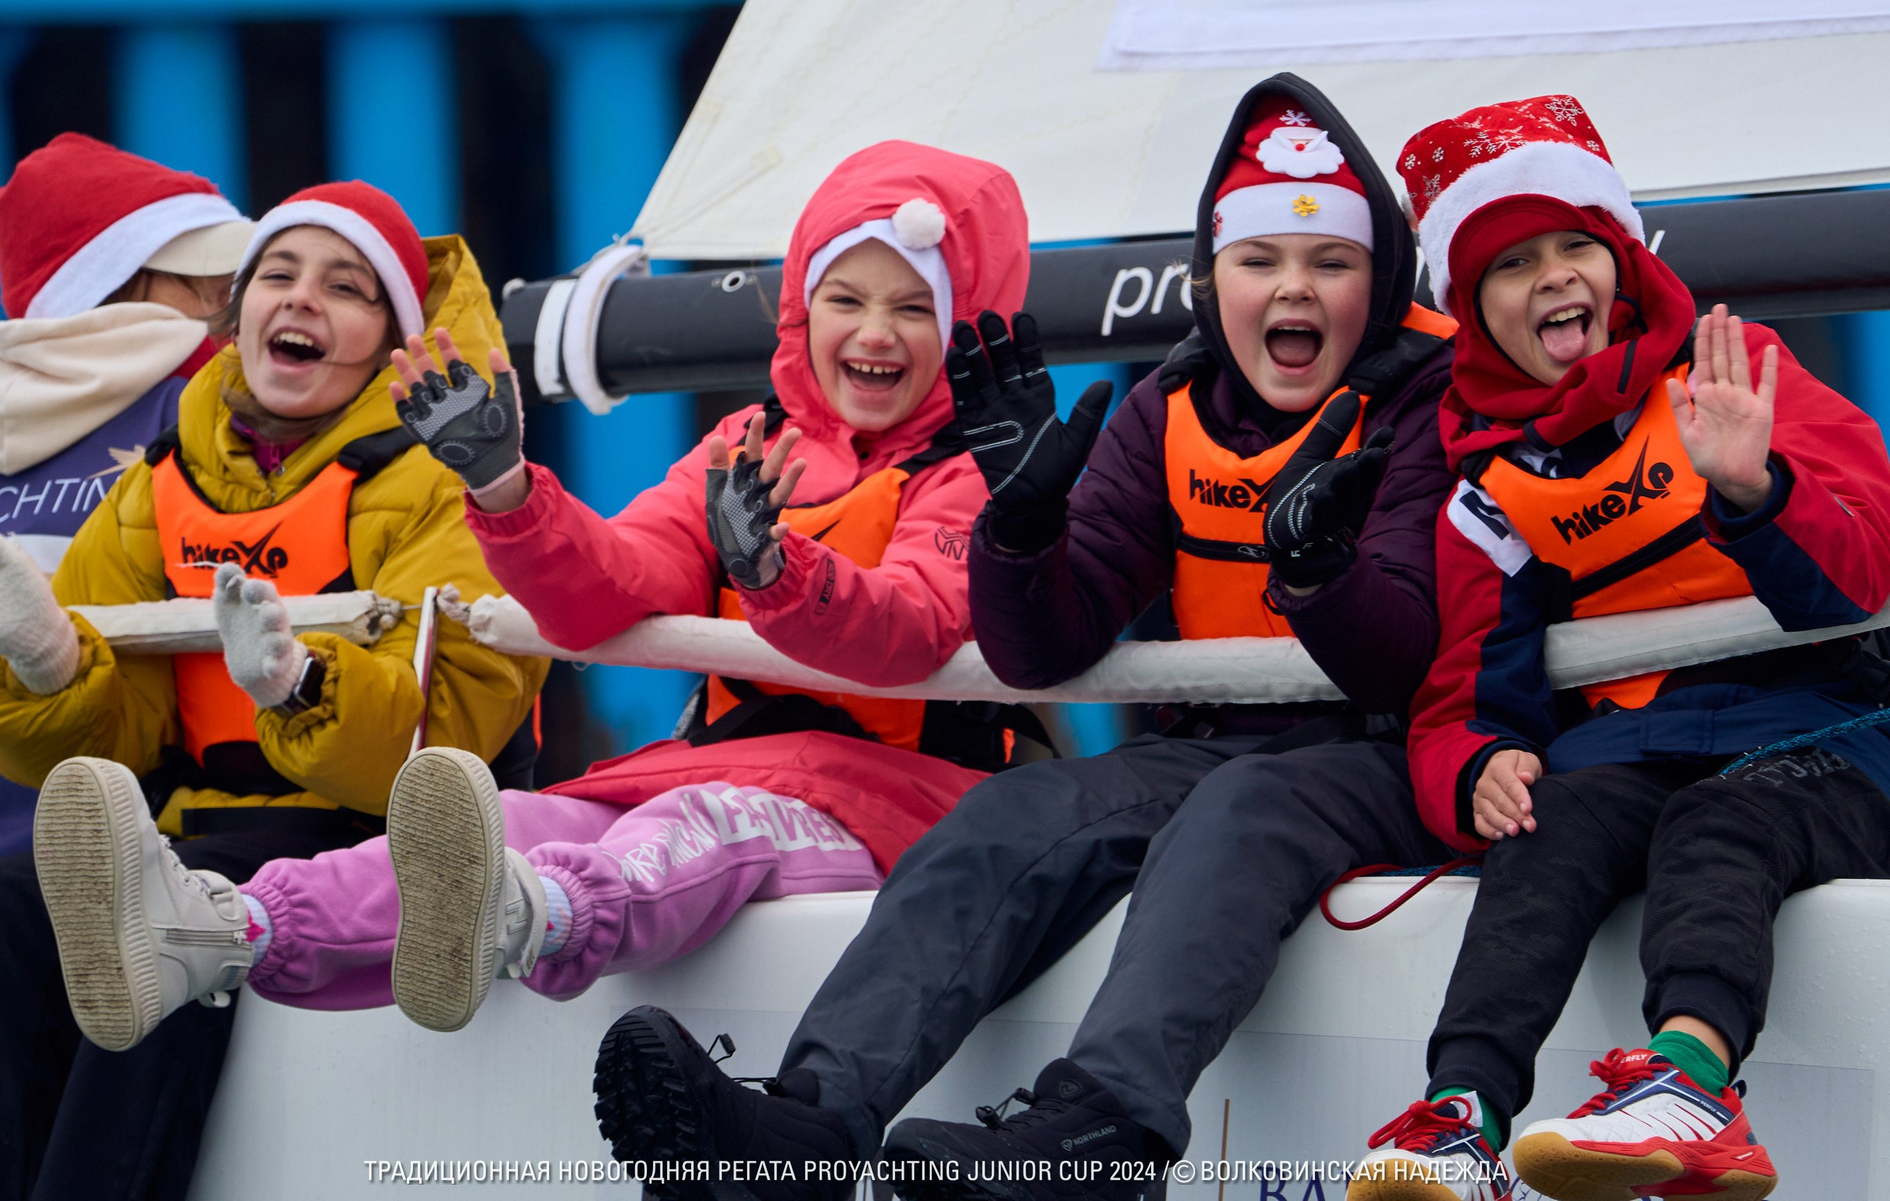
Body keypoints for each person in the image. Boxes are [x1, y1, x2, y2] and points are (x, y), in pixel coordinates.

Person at [593, 74, 1460, 1201]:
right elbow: (1043, 652)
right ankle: (805, 1130)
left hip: (1398, 748)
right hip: (1220, 748)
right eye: (1259, 262)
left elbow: (1404, 654)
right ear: (1214, 280)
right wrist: (1020, 525)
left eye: (1329, 264)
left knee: (1242, 808)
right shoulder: (1168, 407)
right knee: (1009, 812)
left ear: (1381, 279)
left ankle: (1100, 1135)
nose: (1291, 289)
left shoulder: (1434, 401)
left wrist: (1320, 570)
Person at [27, 141, 1047, 1041]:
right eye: (846, 299)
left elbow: (911, 629)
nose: (875, 331)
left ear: (966, 325)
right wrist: (505, 486)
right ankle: (220, 926)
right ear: (801, 309)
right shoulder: (743, 447)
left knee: (694, 834)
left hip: (893, 801)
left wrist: (779, 571)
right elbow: (612, 592)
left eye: (914, 307)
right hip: (719, 766)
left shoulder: (977, 472)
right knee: (511, 819)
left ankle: (533, 917)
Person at [0, 180, 547, 1201]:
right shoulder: (162, 475)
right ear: (236, 317)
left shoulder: (442, 480)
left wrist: (296, 682)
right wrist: (42, 655)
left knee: (160, 913)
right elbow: (120, 734)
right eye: (276, 274)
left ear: (391, 338)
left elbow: (453, 722)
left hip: (377, 833)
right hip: (205, 824)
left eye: (346, 286)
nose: (301, 300)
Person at [1343, 96, 1890, 1201]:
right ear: (1472, 310)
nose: (1556, 275)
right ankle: (1462, 1118)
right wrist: (1475, 766)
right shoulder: (1489, 488)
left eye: (1577, 243)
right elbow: (1463, 698)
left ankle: (1690, 1087)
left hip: (1838, 737)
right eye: (1513, 262)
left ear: (1621, 260)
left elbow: (1857, 571)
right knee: (1545, 822)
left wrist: (1754, 488)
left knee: (1718, 819)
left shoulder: (1737, 371)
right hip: (1636, 747)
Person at [0, 133, 253, 904]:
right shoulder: (202, 423)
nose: (234, 316)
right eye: (214, 287)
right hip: (183, 881)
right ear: (126, 284)